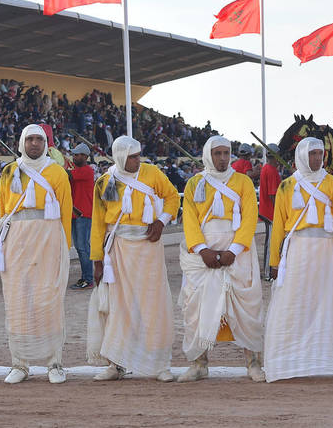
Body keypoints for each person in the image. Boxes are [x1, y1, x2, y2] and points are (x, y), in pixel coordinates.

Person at [264, 136, 333, 383]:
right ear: (302, 155)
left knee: (332, 302)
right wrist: (275, 261)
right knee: (296, 302)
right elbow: (278, 226)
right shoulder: (287, 186)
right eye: (312, 154)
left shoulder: (332, 184)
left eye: (320, 154)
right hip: (298, 250)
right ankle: (288, 361)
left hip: (327, 251)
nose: (317, 158)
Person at [87, 136, 180, 382]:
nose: (138, 160)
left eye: (139, 155)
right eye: (133, 156)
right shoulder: (104, 182)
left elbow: (172, 197)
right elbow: (98, 224)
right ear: (120, 157)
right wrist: (97, 260)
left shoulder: (152, 173)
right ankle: (115, 363)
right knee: (118, 304)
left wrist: (162, 221)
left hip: (148, 248)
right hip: (117, 249)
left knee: (153, 302)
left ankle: (160, 364)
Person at [177, 136, 265, 383]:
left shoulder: (243, 182)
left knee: (247, 307)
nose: (223, 158)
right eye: (218, 153)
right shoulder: (195, 183)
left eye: (227, 153)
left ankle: (254, 363)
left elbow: (250, 217)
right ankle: (199, 364)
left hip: (237, 253)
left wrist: (233, 250)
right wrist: (203, 250)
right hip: (202, 255)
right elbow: (190, 220)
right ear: (208, 155)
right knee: (197, 308)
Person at [0, 124, 74, 384]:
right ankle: (19, 363)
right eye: (29, 139)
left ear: (46, 143)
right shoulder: (9, 171)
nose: (34, 144)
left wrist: (65, 247)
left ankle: (55, 363)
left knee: (48, 298)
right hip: (17, 240)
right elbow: (3, 213)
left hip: (49, 237)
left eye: (38, 139)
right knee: (18, 300)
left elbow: (65, 210)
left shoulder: (57, 172)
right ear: (21, 142)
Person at [68, 143, 96, 290]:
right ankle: (87, 277)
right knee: (81, 247)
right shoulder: (81, 170)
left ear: (85, 156)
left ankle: (88, 279)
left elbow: (66, 175)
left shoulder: (86, 170)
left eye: (77, 154)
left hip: (83, 213)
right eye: (74, 154)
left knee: (82, 247)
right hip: (78, 213)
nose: (74, 156)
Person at [258, 144, 282, 277]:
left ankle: (268, 270)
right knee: (271, 242)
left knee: (270, 241)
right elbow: (273, 194)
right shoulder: (271, 170)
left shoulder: (266, 168)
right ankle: (268, 272)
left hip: (266, 209)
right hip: (270, 211)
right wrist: (279, 211)